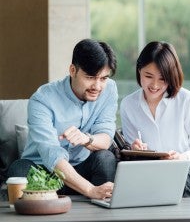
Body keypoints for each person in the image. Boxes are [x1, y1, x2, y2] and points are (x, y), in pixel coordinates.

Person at [7, 39, 118, 199]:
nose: (97, 86)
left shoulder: (110, 90)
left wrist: (86, 139)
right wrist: (89, 190)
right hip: (44, 171)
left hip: (82, 167)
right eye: (90, 77)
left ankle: (101, 208)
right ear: (73, 70)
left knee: (105, 158)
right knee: (19, 170)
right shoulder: (42, 99)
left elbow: (106, 138)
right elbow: (52, 154)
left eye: (103, 78)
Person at [120, 41, 190, 197]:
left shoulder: (187, 100)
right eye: (148, 76)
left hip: (188, 168)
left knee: (170, 181)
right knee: (152, 182)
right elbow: (130, 151)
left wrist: (181, 158)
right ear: (139, 70)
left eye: (162, 79)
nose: (154, 85)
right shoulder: (128, 104)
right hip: (150, 171)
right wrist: (134, 150)